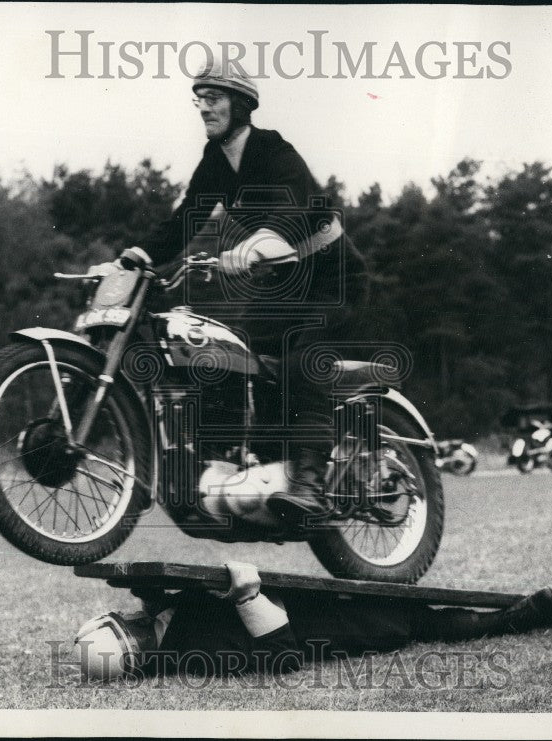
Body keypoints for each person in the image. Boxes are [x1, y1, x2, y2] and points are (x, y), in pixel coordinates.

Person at [107, 58, 370, 529]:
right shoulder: (214, 162)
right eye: (199, 99)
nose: (203, 107)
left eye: (214, 98)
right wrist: (140, 255)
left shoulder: (275, 151)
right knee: (232, 355)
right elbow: (185, 218)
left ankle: (310, 486)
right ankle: (253, 472)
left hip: (332, 276)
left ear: (242, 104)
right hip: (282, 285)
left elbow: (292, 210)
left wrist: (254, 244)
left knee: (299, 361)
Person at [75, 562, 552, 681]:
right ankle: (508, 623)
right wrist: (248, 597)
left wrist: (142, 584)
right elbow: (282, 658)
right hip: (331, 628)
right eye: (125, 621)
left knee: (400, 601)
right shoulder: (194, 653)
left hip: (316, 601)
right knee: (416, 622)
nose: (128, 615)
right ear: (134, 640)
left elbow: (158, 600)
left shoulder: (162, 626)